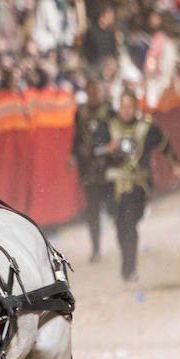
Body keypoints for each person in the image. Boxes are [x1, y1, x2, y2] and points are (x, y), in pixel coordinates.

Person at [98, 92, 180, 282]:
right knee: (120, 226)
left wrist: (175, 164)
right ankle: (126, 261)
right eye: (123, 106)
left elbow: (165, 145)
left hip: (139, 184)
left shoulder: (147, 127)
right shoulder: (108, 127)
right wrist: (107, 149)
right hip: (114, 186)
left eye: (130, 107)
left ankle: (131, 267)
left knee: (130, 222)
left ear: (136, 108)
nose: (126, 111)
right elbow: (93, 151)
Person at [69, 78, 112, 262]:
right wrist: (73, 156)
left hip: (107, 168)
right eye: (90, 91)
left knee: (113, 207)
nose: (94, 95)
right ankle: (96, 248)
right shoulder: (81, 112)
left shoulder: (110, 111)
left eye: (97, 91)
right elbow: (77, 137)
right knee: (92, 211)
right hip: (88, 170)